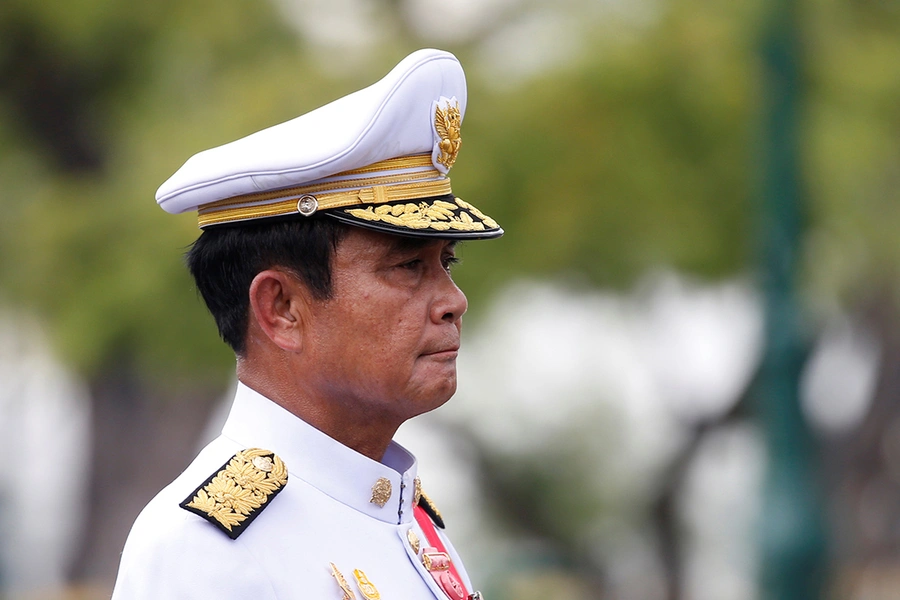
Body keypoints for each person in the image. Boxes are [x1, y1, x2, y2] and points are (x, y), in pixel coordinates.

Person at [110, 49, 500, 600]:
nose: (452, 301)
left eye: (446, 263)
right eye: (409, 266)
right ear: (281, 309)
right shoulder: (207, 551)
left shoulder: (404, 518)